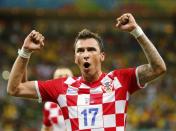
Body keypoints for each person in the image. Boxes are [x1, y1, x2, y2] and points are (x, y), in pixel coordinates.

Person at [7, 13, 166, 130]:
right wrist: (25, 52)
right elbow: (14, 88)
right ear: (75, 58)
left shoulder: (119, 80)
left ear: (102, 56)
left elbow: (158, 68)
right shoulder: (62, 87)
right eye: (80, 51)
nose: (85, 54)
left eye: (91, 49)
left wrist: (136, 31)